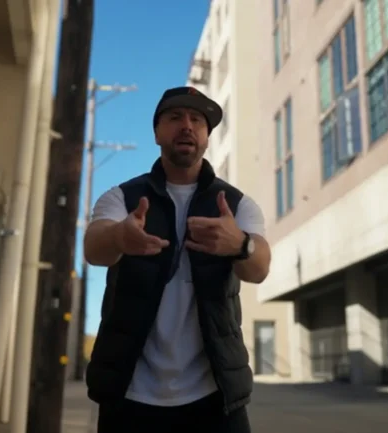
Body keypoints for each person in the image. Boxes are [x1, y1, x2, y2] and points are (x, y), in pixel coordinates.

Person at [83, 86, 271, 433]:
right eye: (174, 117)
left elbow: (259, 269)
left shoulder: (236, 204)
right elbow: (94, 249)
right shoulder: (123, 197)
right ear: (157, 133)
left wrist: (240, 244)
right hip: (130, 395)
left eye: (197, 120)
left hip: (214, 397)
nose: (186, 125)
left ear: (207, 136)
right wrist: (119, 237)